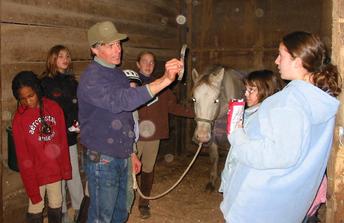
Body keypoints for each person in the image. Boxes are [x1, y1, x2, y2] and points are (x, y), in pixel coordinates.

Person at [220, 31, 342, 223]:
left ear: (297, 61)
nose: (276, 61)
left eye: (281, 55)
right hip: (286, 202)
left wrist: (236, 134)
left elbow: (278, 154)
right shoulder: (318, 100)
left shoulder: (289, 101)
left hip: (260, 201)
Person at [77, 21, 183, 223]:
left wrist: (131, 151)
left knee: (121, 212)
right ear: (94, 49)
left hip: (121, 154)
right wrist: (165, 80)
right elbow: (121, 101)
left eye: (118, 43)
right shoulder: (92, 78)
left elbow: (125, 117)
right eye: (110, 45)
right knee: (102, 217)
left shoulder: (117, 74)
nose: (118, 49)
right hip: (102, 158)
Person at [136, 51, 195, 219]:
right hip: (133, 136)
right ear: (138, 64)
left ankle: (144, 203)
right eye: (145, 61)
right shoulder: (131, 83)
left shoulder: (161, 84)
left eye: (151, 62)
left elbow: (173, 107)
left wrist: (197, 113)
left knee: (148, 169)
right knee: (128, 171)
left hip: (152, 136)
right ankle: (125, 202)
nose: (148, 65)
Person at [220, 69, 284, 219]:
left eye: (252, 90)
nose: (246, 94)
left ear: (266, 89)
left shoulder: (264, 118)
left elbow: (254, 153)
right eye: (246, 89)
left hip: (249, 186)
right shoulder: (251, 113)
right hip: (238, 178)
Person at [11, 71, 72, 223]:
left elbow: (62, 142)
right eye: (22, 99)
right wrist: (31, 185)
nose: (28, 101)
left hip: (54, 169)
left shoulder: (54, 108)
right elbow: (22, 155)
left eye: (30, 96)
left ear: (37, 90)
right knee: (35, 206)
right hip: (35, 172)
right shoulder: (19, 119)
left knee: (56, 203)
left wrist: (65, 168)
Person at [39, 45, 84, 223]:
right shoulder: (44, 83)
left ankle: (80, 209)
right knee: (57, 176)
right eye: (60, 56)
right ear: (52, 59)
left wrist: (80, 122)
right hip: (53, 139)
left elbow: (78, 105)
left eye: (67, 56)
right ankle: (63, 212)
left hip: (70, 136)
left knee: (72, 173)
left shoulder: (72, 81)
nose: (65, 59)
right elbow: (42, 111)